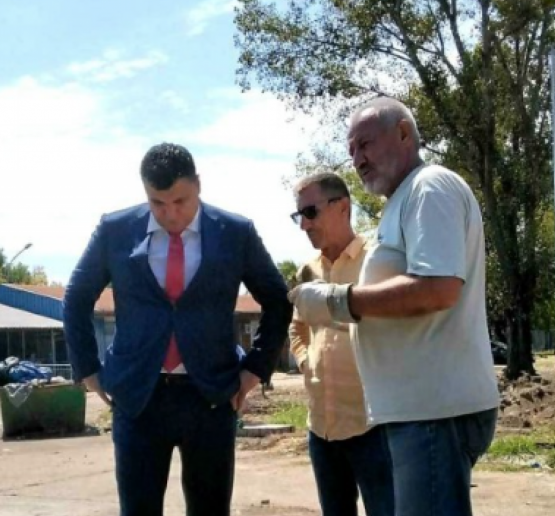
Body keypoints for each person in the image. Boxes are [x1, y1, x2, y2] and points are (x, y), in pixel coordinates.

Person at [289, 97, 500, 516]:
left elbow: (438, 288)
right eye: (351, 150)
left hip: (434, 411)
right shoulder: (404, 200)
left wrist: (336, 301)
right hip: (419, 411)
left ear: (404, 133)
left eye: (365, 144)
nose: (357, 159)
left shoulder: (429, 187)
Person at [63, 142, 292, 516]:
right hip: (139, 397)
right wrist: (88, 369)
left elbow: (278, 300)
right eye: (158, 203)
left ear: (198, 185)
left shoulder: (235, 232)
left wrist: (255, 369)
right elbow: (76, 297)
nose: (170, 214)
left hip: (210, 397)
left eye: (180, 201)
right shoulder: (115, 230)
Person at [289, 172, 394, 516]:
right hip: (321, 429)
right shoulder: (307, 271)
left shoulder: (376, 261)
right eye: (299, 215)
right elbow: (297, 327)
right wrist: (306, 362)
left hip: (373, 428)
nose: (304, 225)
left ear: (343, 207)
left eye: (310, 212)